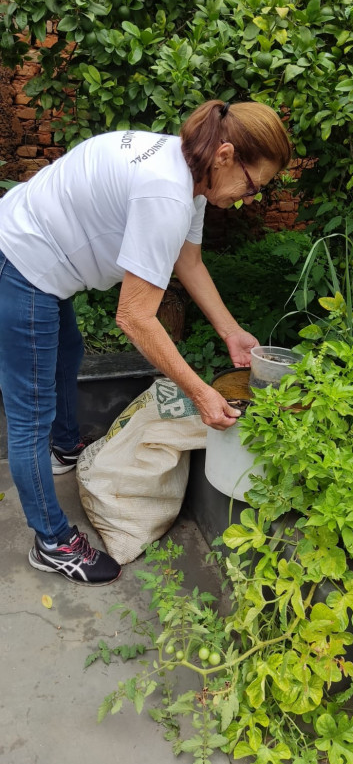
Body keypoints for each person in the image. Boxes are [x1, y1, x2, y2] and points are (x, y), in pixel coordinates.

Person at [0, 99, 291, 585]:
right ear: (225, 155)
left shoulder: (191, 178)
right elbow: (134, 318)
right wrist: (202, 393)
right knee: (30, 413)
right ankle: (51, 541)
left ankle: (66, 448)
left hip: (45, 262)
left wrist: (231, 331)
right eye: (253, 183)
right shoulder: (168, 193)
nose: (252, 197)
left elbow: (190, 263)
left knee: (67, 352)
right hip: (21, 262)